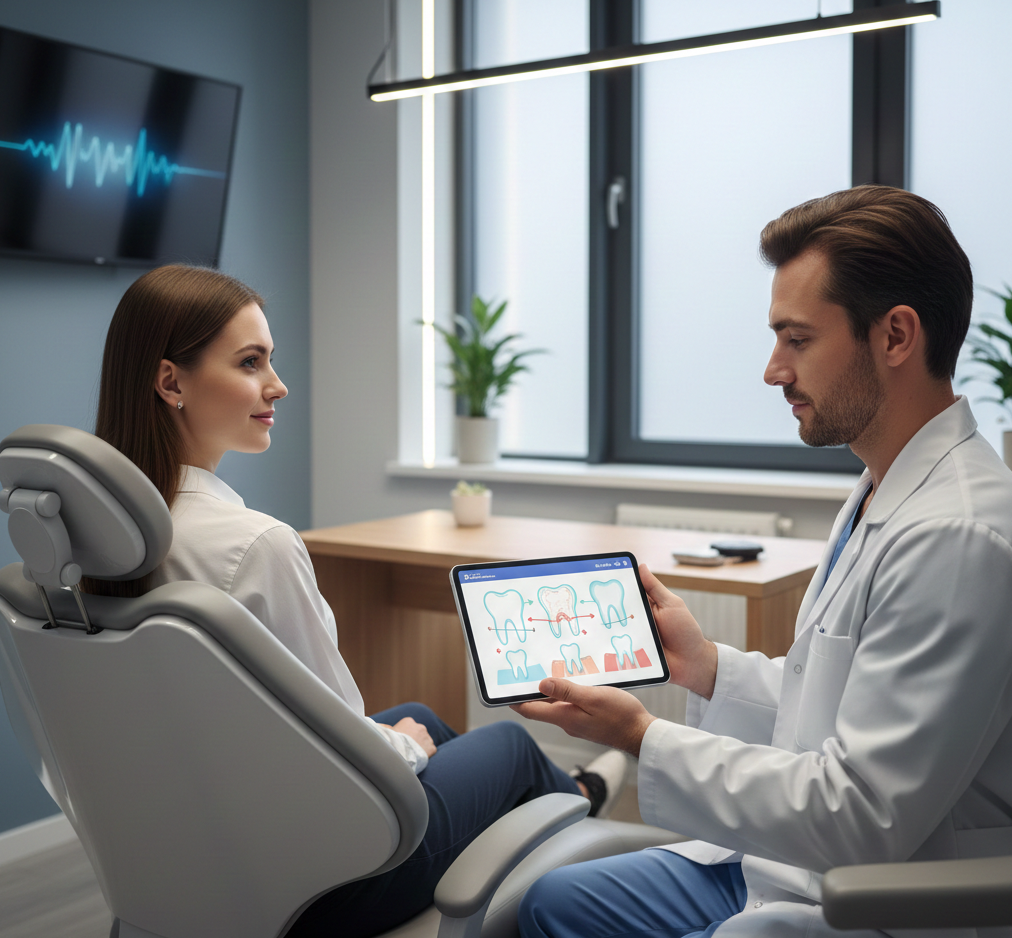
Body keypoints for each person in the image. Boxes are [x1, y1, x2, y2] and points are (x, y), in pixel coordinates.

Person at [513, 186, 1012, 938]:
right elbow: (839, 702)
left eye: (798, 339)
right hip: (795, 865)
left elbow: (863, 812)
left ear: (896, 335)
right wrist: (705, 666)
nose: (774, 370)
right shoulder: (884, 485)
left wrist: (642, 737)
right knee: (554, 902)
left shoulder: (958, 535)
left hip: (880, 898)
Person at [89, 264, 626, 938]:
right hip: (320, 887)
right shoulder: (254, 546)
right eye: (251, 362)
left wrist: (404, 738)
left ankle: (559, 799)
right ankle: (576, 819)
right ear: (171, 382)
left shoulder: (93, 551)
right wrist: (401, 751)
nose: (277, 386)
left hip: (189, 855)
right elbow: (346, 754)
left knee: (419, 714)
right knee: (512, 745)